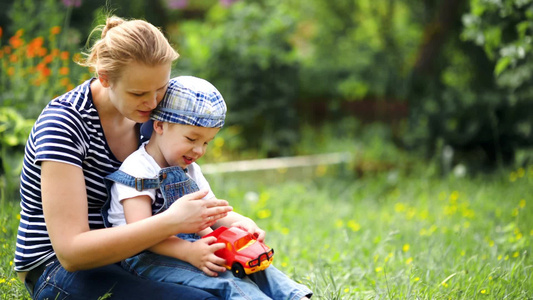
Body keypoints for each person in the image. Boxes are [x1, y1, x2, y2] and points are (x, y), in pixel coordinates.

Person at [14, 16, 232, 300]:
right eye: (139, 92)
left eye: (160, 89)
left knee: (235, 282)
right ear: (104, 78)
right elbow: (71, 253)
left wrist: (233, 222)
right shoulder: (63, 126)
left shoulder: (150, 119)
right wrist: (171, 222)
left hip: (136, 256)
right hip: (61, 270)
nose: (153, 103)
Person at [104, 75, 313, 300]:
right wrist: (188, 252)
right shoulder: (138, 168)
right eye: (192, 138)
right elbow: (140, 233)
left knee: (253, 264)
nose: (199, 150)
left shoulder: (189, 169)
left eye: (206, 142)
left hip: (193, 244)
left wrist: (242, 223)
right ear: (160, 125)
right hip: (146, 256)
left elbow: (212, 211)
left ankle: (295, 296)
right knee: (224, 278)